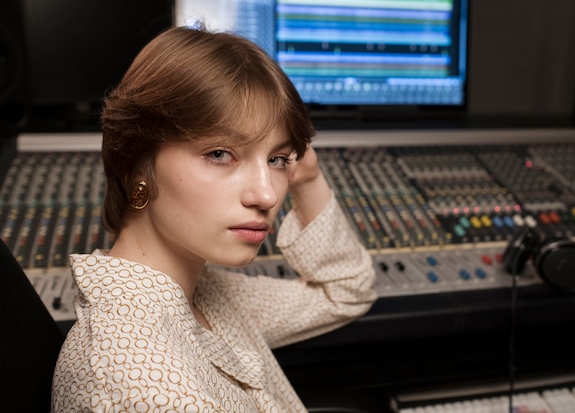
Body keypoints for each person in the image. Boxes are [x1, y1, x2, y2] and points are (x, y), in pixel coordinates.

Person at [51, 25, 377, 412]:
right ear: (136, 163)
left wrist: (305, 174)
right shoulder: (141, 386)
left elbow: (346, 290)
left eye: (276, 160)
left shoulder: (200, 293)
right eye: (220, 154)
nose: (267, 195)